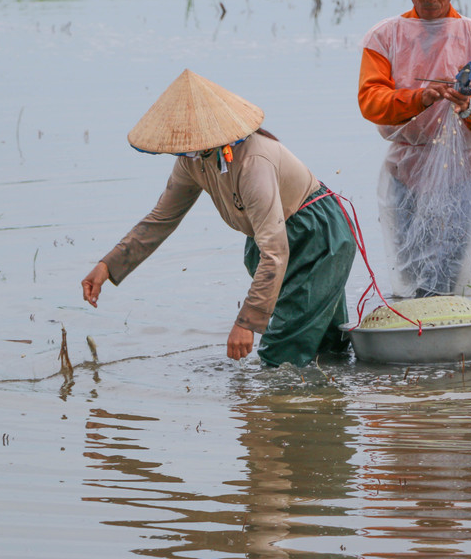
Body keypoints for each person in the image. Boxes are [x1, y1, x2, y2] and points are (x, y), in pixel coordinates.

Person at [81, 69, 355, 368]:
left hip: (317, 237)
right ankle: (331, 394)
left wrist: (247, 322)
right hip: (275, 237)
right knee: (324, 345)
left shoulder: (253, 163)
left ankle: (288, 408)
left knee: (282, 352)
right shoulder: (193, 160)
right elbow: (161, 219)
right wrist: (107, 265)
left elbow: (275, 252)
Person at [358, 0, 471, 298]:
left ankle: (446, 335)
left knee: (451, 263)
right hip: (404, 167)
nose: (429, 1)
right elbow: (371, 100)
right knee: (410, 261)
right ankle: (418, 333)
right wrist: (418, 98)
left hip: (461, 169)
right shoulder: (383, 38)